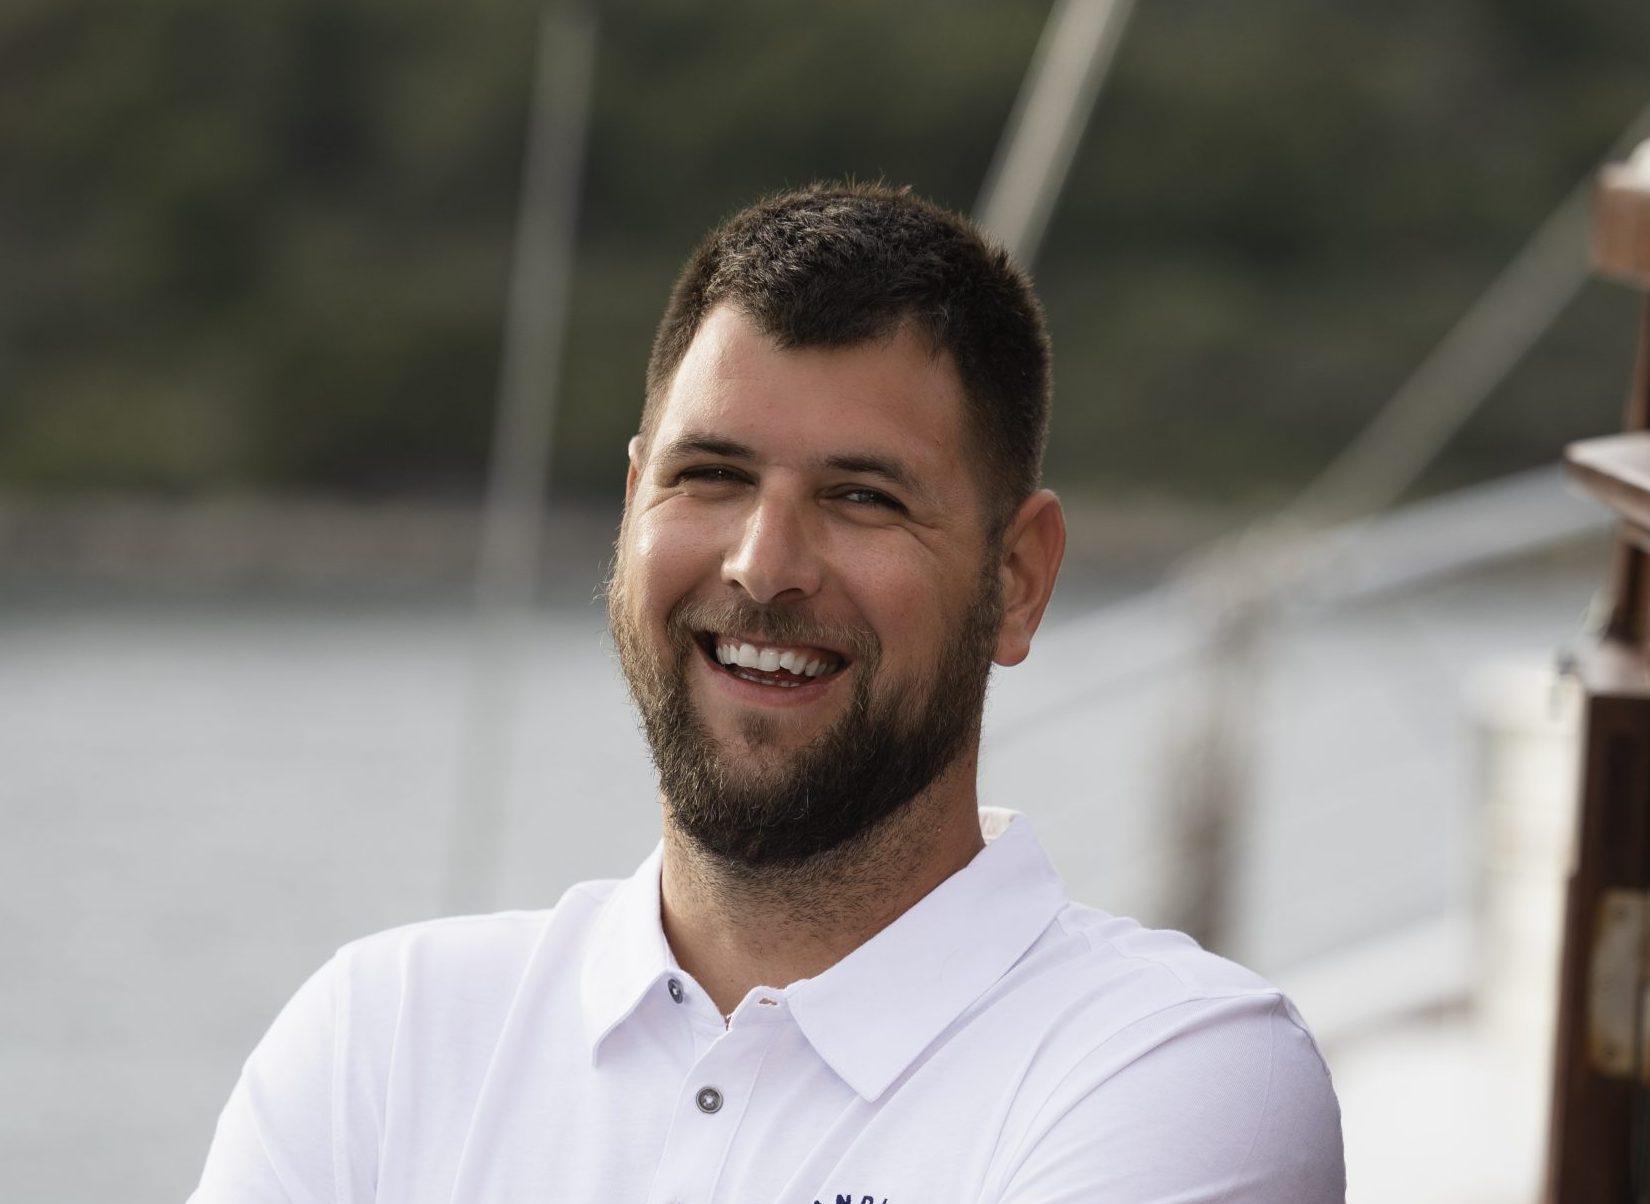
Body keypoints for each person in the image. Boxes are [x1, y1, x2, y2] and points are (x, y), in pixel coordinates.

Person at [190, 181, 1344, 1202]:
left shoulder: (1173, 1069)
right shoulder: (380, 1041)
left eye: (863, 498)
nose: (762, 563)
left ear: (1017, 581)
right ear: (634, 501)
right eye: (711, 476)